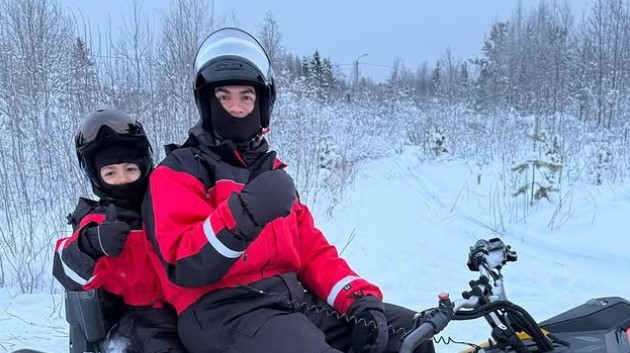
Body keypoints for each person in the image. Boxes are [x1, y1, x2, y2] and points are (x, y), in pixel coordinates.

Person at [143, 27, 448, 353]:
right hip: (223, 311)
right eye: (224, 97)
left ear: (262, 103)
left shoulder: (270, 174)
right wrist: (245, 213)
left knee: (406, 333)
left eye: (246, 96)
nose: (235, 108)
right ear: (206, 102)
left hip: (290, 301)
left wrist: (358, 299)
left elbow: (313, 253)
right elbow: (183, 263)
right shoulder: (179, 171)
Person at [53, 109, 186, 353]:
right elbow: (65, 264)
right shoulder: (97, 218)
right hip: (136, 320)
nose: (123, 179)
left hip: (186, 309)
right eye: (110, 173)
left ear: (144, 166)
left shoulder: (164, 203)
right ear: (97, 176)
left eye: (130, 169)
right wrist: (91, 244)